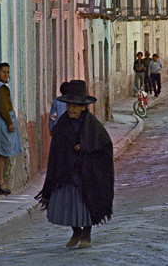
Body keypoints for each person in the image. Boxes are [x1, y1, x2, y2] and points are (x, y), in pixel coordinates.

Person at [35, 80, 114, 248]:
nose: (72, 109)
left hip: (87, 173)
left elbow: (104, 145)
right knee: (68, 203)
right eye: (70, 105)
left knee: (86, 203)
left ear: (84, 107)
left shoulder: (92, 125)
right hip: (66, 173)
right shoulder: (62, 123)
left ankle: (86, 234)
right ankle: (76, 231)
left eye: (76, 106)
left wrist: (86, 147)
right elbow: (57, 148)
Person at [0, 63, 24, 196]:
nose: (6, 75)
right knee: (2, 153)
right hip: (2, 122)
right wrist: (9, 123)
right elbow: (3, 107)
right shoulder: (1, 88)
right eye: (4, 72)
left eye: (8, 72)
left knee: (0, 152)